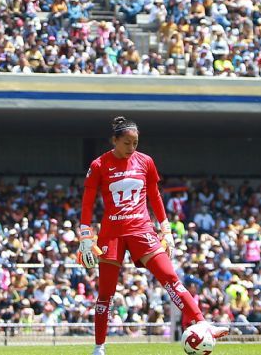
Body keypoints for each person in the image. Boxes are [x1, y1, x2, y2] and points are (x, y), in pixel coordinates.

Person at [77, 116, 225, 355]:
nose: (131, 148)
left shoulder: (145, 162)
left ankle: (201, 323)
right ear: (114, 140)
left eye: (135, 143)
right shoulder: (99, 165)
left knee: (170, 276)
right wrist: (85, 235)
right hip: (111, 233)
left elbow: (155, 196)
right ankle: (99, 347)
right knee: (106, 293)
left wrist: (165, 227)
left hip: (142, 229)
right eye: (127, 143)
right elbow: (87, 202)